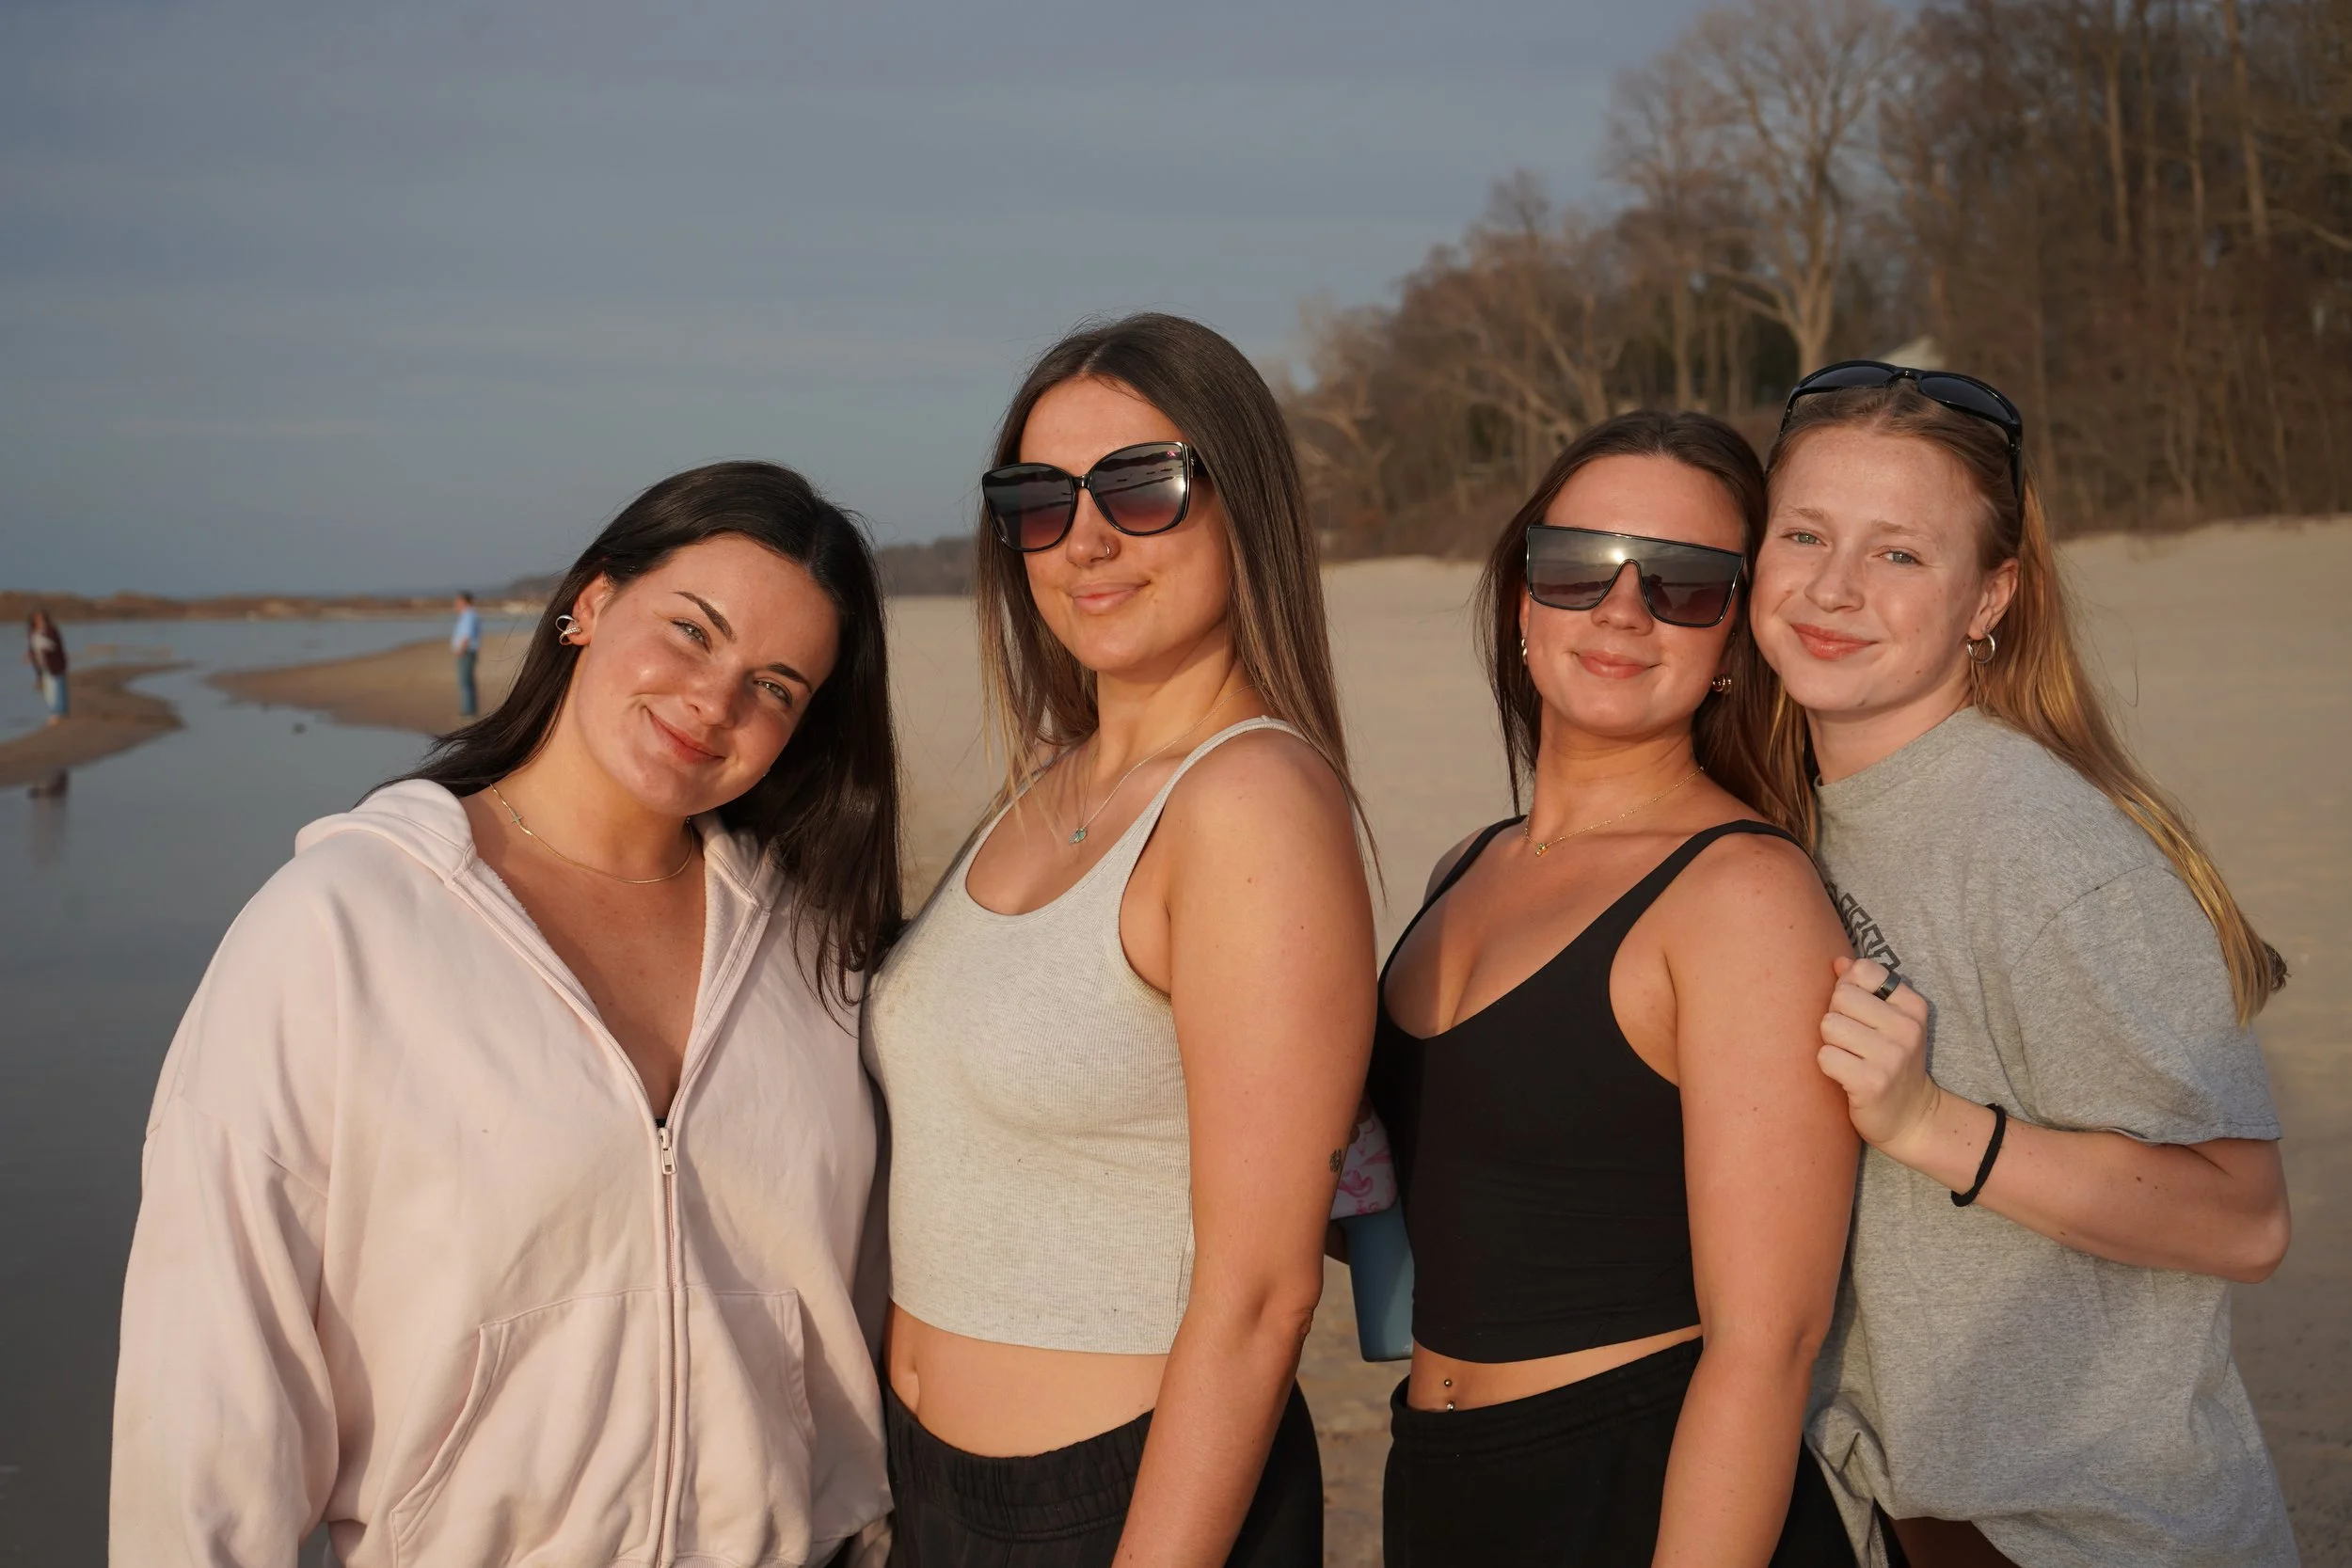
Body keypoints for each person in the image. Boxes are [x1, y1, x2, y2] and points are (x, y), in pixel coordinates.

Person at [111, 462, 903, 1568]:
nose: (713, 701)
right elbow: (209, 1379)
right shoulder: (343, 927)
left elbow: (860, 1310)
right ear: (587, 603)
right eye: (690, 630)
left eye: (775, 685)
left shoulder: (816, 958)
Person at [1749, 362, 2296, 1568]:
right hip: (1898, 1514)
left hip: (2087, 1535)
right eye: (1804, 533)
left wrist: (1932, 1122)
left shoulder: (2045, 850)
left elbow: (2245, 1218)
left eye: (1899, 554)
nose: (1833, 587)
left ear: (1987, 596)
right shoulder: (1790, 813)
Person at [863, 312, 1375, 1566]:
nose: (1083, 537)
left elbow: (1262, 1292)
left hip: (1117, 1502)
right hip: (932, 1489)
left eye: (1141, 486)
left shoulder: (1248, 802)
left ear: (1239, 500)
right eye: (1037, 499)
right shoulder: (1052, 781)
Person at [1365, 411, 1861, 1567]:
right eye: (1577, 564)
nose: (1623, 610)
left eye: (1685, 584)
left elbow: (1767, 1342)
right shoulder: (1467, 865)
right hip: (1438, 1483)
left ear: (1736, 634)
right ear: (1519, 597)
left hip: (1637, 1485)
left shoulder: (1741, 893)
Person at [26, 610, 68, 724]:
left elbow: (55, 646)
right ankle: (57, 712)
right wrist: (29, 656)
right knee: (48, 692)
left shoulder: (51, 631)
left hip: (54, 664)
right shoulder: (33, 633)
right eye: (37, 619)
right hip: (42, 666)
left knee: (55, 689)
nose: (40, 621)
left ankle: (57, 714)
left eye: (41, 619)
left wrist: (46, 649)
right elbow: (32, 648)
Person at [451, 590, 483, 718]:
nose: (455, 604)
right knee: (467, 681)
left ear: (464, 601)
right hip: (467, 651)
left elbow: (467, 635)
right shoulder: (467, 615)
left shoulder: (469, 615)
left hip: (466, 651)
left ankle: (468, 710)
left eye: (458, 601)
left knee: (465, 680)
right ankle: (469, 709)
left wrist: (460, 650)